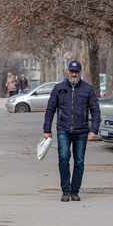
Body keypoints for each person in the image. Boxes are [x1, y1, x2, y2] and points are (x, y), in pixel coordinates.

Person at [43, 61, 100, 202]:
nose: (74, 74)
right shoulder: (58, 88)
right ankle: (65, 190)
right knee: (63, 157)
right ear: (67, 71)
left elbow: (96, 111)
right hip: (63, 130)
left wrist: (94, 129)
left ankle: (75, 191)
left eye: (77, 71)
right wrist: (47, 129)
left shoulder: (88, 89)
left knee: (79, 161)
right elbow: (50, 110)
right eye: (72, 71)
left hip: (81, 131)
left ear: (81, 72)